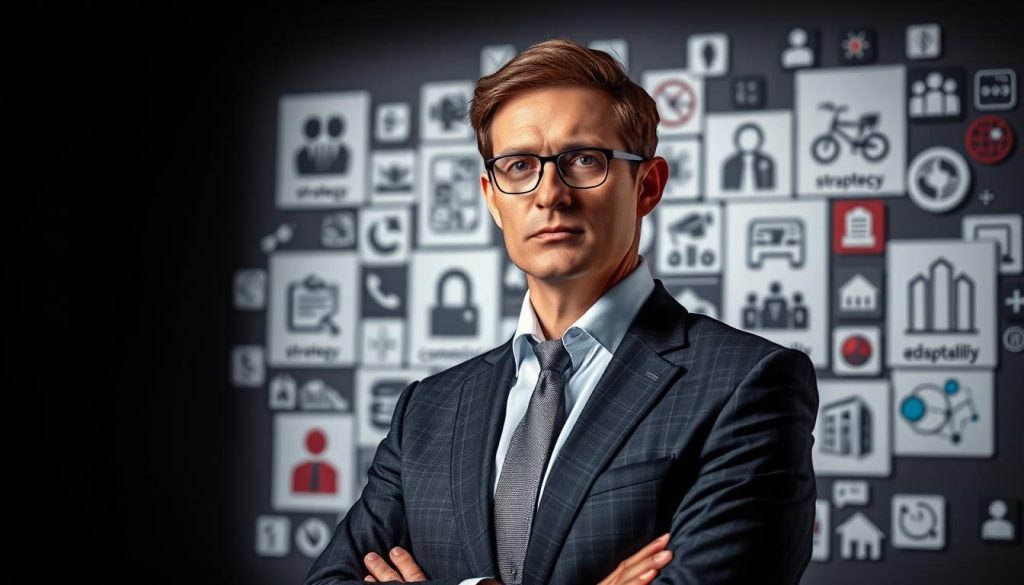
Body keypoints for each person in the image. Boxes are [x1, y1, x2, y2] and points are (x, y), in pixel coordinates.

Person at [304, 38, 819, 585]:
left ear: (648, 185)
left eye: (582, 160)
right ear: (492, 197)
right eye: (520, 165)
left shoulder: (747, 382)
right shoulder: (427, 409)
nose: (549, 194)